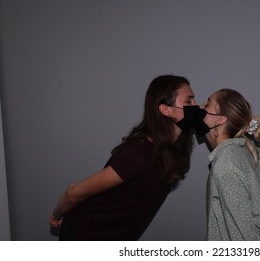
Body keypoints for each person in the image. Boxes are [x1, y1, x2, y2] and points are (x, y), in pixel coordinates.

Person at [49, 74, 198, 240]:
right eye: (189, 101)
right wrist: (57, 215)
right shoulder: (138, 153)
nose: (195, 106)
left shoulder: (175, 149)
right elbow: (73, 193)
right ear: (166, 109)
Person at [199, 88, 260, 241]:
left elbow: (243, 236)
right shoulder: (239, 152)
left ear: (220, 119)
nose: (200, 107)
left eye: (207, 104)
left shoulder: (225, 163)